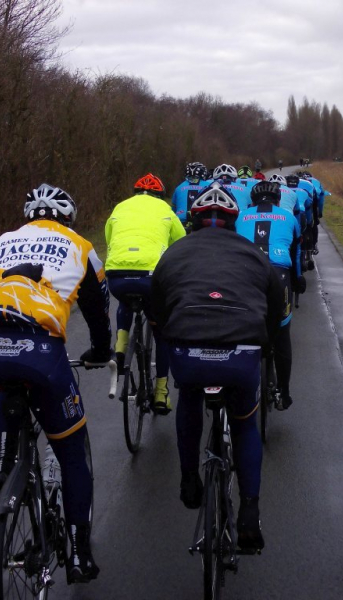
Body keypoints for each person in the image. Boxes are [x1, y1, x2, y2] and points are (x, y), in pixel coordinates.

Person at [0, 183, 110, 583]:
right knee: (71, 452)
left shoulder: (2, 242)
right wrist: (101, 350)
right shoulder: (80, 245)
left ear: (29, 215)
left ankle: (5, 457)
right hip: (42, 354)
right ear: (67, 217)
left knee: (7, 377)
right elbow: (98, 307)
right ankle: (80, 553)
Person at [151, 183, 284, 552]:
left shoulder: (174, 252)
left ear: (193, 220)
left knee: (190, 398)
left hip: (189, 351)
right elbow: (276, 309)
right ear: (234, 222)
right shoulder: (255, 254)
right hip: (240, 353)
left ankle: (189, 479)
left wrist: (166, 332)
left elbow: (157, 307)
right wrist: (267, 343)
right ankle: (249, 515)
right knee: (244, 423)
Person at [105, 173, 186, 414]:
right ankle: (161, 392)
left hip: (117, 275)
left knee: (125, 299)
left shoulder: (120, 207)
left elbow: (110, 239)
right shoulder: (165, 209)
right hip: (150, 277)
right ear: (161, 195)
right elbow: (180, 244)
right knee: (161, 333)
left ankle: (120, 344)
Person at [236, 180, 304, 410]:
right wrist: (297, 280)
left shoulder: (241, 216)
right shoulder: (288, 217)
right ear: (277, 200)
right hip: (278, 274)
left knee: (239, 327)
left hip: (246, 272)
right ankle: (283, 393)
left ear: (252, 202)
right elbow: (295, 254)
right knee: (282, 334)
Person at [171, 162, 209, 226]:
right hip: (201, 222)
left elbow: (173, 210)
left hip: (180, 222)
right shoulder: (208, 185)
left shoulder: (179, 187)